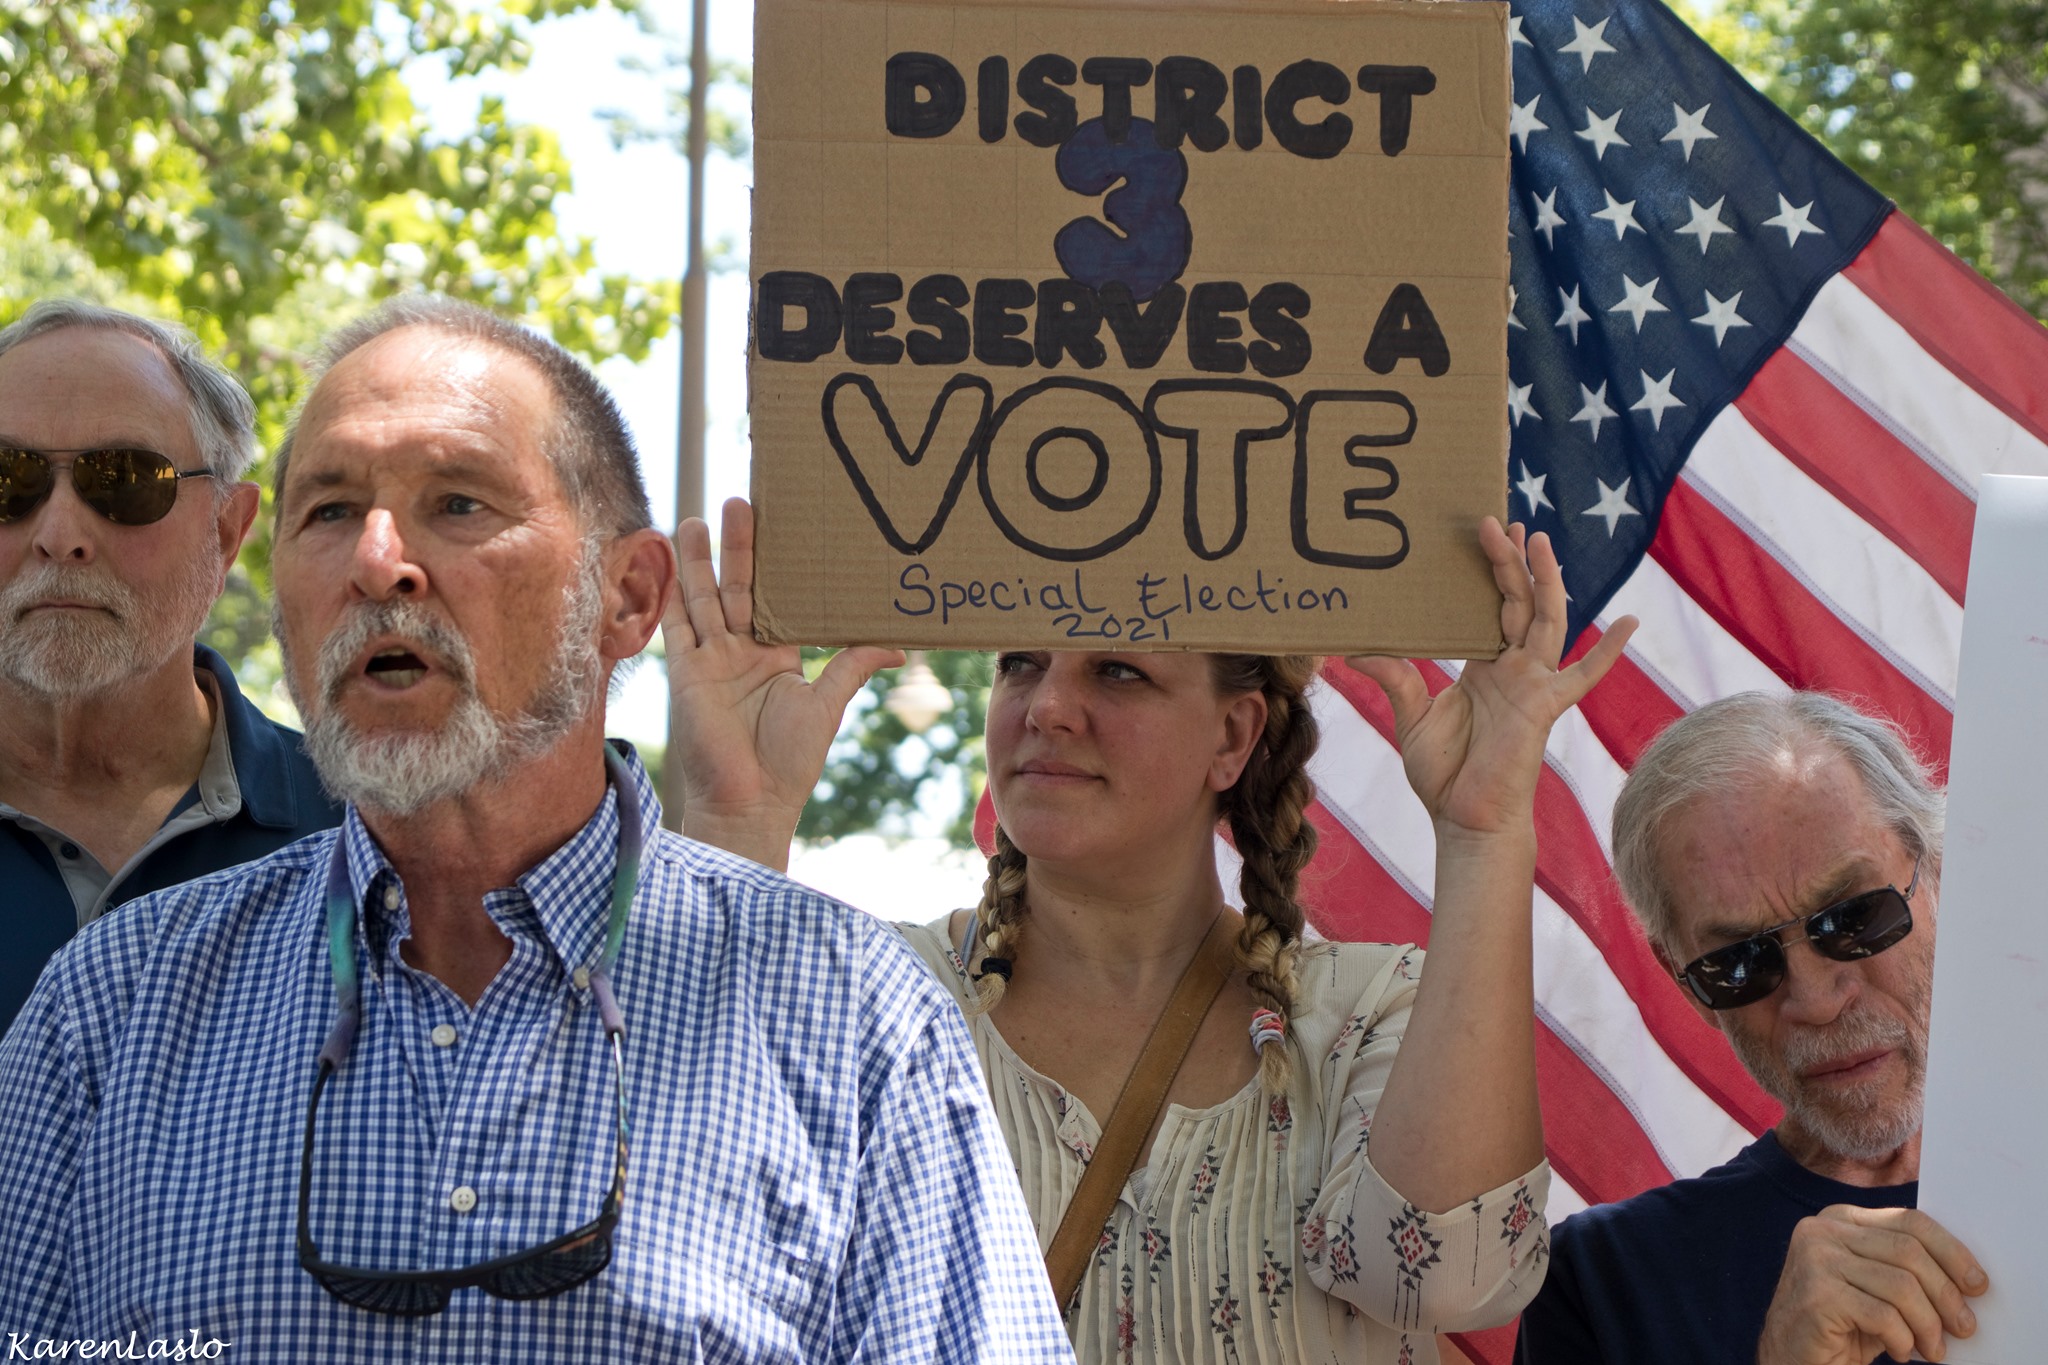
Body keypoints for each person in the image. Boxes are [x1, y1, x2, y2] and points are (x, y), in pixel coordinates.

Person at [0, 296, 1074, 1362]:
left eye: (458, 504)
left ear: (628, 596)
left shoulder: (856, 1017)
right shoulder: (110, 1006)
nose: (377, 560)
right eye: (327, 511)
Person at [666, 497, 1636, 1363]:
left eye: (1118, 671)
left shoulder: (1363, 1015)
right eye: (1019, 664)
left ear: (1232, 735)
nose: (1047, 708)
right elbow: (696, 1243)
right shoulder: (870, 997)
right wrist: (736, 823)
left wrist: (1482, 833)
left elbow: (1446, 1277)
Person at [1516, 692, 1989, 1365]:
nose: (1816, 1000)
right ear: (1685, 980)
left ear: (1937, 873)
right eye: (1741, 961)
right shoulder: (1605, 1287)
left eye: (1853, 917)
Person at [0, 300, 341, 1031]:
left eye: (126, 480)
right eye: (7, 479)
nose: (59, 534)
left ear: (228, 532)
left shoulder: (369, 837)